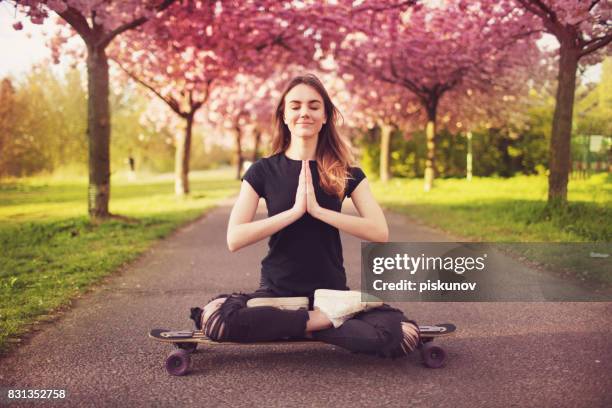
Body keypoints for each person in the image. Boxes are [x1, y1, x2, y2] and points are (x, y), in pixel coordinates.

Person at [190, 74, 420, 358]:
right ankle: (320, 322)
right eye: (295, 106)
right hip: (278, 294)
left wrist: (320, 212)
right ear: (284, 115)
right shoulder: (262, 172)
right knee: (216, 318)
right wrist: (293, 213)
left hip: (331, 294)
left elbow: (379, 232)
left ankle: (300, 323)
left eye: (313, 106)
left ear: (325, 116)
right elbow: (234, 238)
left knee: (401, 335)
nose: (304, 113)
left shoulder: (347, 172)